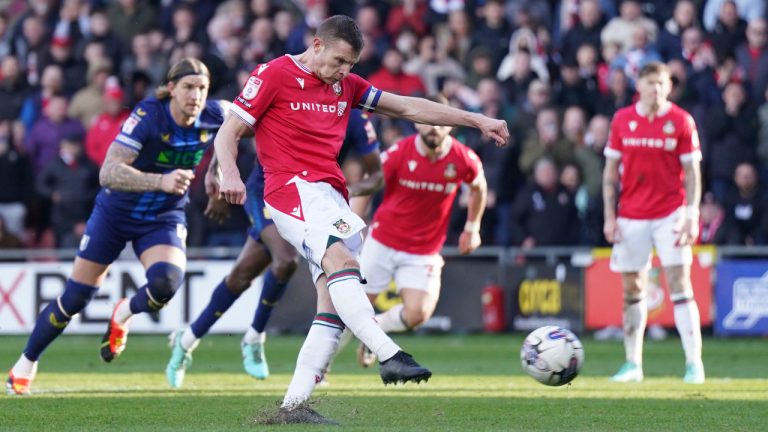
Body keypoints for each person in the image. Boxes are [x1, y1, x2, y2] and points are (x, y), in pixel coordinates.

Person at [215, 15, 508, 423]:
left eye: (351, 64)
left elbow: (408, 106)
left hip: (333, 197)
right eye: (338, 61)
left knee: (331, 305)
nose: (343, 72)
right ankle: (389, 353)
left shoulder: (346, 86)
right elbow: (228, 131)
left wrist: (476, 120)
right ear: (317, 44)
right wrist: (229, 173)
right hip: (291, 190)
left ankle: (293, 408)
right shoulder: (273, 74)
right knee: (344, 263)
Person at [6, 58, 225, 395]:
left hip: (161, 218)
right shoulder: (148, 117)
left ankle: (123, 312)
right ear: (171, 89)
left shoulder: (216, 115)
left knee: (166, 283)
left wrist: (219, 168)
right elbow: (108, 171)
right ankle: (26, 361)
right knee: (76, 297)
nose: (195, 95)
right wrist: (160, 181)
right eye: (188, 87)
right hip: (115, 215)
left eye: (201, 88)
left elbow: (246, 128)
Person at [164, 109, 383, 388]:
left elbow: (376, 175)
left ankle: (185, 341)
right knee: (286, 260)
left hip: (315, 203)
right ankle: (255, 336)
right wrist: (216, 174)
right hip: (266, 190)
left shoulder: (353, 117)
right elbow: (232, 129)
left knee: (241, 275)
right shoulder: (289, 93)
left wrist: (347, 193)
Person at [351, 94, 487, 367]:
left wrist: (472, 228)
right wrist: (353, 224)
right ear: (417, 123)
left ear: (450, 125)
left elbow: (478, 187)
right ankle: (321, 368)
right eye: (428, 121)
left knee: (418, 313)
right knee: (353, 308)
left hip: (424, 249)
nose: (434, 127)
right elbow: (369, 184)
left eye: (440, 122)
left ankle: (375, 331)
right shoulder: (399, 153)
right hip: (384, 241)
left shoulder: (463, 158)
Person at [602, 61, 705, 385]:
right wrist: (609, 216)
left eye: (661, 83)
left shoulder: (681, 121)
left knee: (679, 282)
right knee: (632, 288)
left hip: (670, 213)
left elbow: (692, 173)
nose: (655, 89)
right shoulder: (622, 120)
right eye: (650, 83)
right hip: (631, 214)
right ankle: (633, 364)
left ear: (669, 86)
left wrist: (691, 214)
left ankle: (694, 364)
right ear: (639, 86)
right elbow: (609, 173)